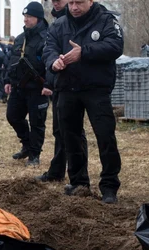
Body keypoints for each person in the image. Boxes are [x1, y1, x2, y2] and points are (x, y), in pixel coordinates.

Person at [43, 0, 123, 203]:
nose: (74, 7)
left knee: (105, 136)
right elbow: (48, 49)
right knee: (71, 137)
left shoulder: (106, 20)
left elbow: (115, 46)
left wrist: (84, 52)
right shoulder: (59, 24)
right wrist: (55, 62)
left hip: (96, 89)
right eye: (70, 3)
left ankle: (109, 186)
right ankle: (79, 182)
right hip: (67, 88)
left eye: (79, 2)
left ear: (91, 1)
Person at [36, 0, 88, 181]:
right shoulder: (57, 22)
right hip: (59, 82)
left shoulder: (79, 18)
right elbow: (49, 52)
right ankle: (57, 170)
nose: (55, 3)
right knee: (59, 130)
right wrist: (50, 81)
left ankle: (79, 175)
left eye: (59, 0)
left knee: (73, 131)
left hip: (77, 84)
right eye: (52, 0)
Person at [4, 2, 52, 166]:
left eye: (29, 17)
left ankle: (34, 155)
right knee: (13, 116)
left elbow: (50, 63)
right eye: (24, 16)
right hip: (19, 87)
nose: (25, 20)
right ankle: (26, 144)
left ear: (38, 18)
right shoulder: (20, 39)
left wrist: (49, 84)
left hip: (38, 89)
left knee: (37, 122)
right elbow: (12, 61)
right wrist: (8, 80)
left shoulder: (47, 38)